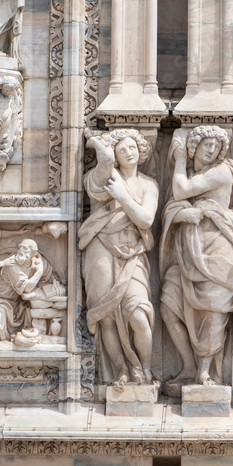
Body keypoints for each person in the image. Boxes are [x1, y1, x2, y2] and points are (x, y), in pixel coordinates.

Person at [160, 126, 233, 388]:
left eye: (216, 145)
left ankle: (204, 372)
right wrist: (180, 215)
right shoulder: (192, 173)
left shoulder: (220, 172)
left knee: (213, 309)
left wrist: (178, 158)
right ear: (194, 146)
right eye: (206, 144)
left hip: (218, 248)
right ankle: (188, 366)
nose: (211, 150)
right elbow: (172, 205)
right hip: (188, 250)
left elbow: (181, 191)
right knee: (168, 304)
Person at [79, 129, 159, 386]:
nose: (129, 152)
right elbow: (102, 170)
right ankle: (122, 371)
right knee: (107, 316)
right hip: (100, 247)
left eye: (132, 147)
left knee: (138, 314)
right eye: (122, 149)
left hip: (133, 252)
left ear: (141, 151)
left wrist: (123, 197)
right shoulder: (101, 177)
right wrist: (98, 147)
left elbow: (146, 219)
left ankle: (144, 369)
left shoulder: (149, 185)